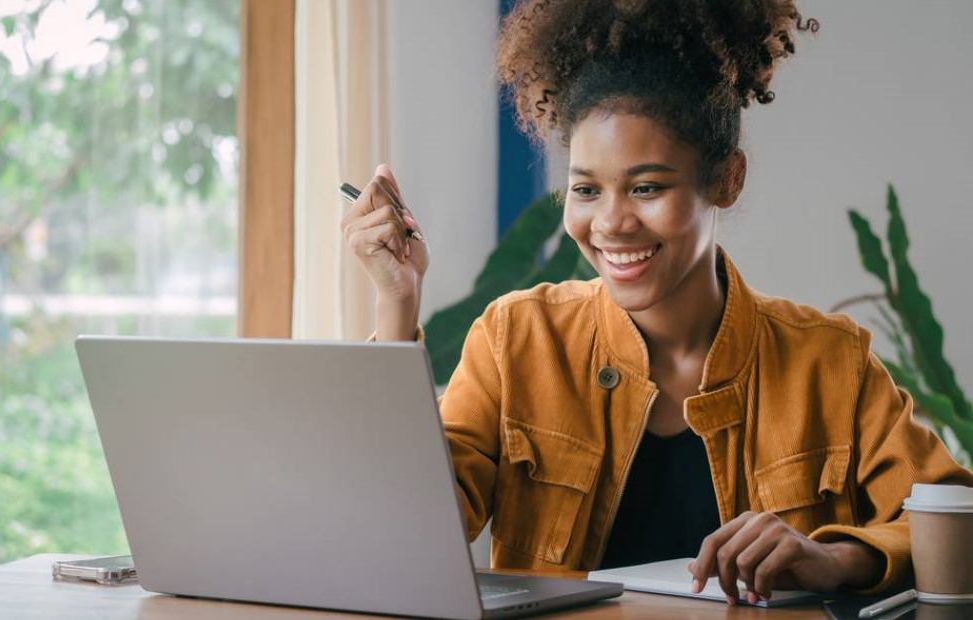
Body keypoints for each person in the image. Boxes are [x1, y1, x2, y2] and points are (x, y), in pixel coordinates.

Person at [339, 0, 973, 605]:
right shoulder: (516, 340)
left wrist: (833, 559)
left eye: (645, 187)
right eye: (586, 189)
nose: (611, 223)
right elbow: (399, 531)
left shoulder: (830, 362)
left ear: (727, 179)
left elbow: (953, 521)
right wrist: (396, 306)